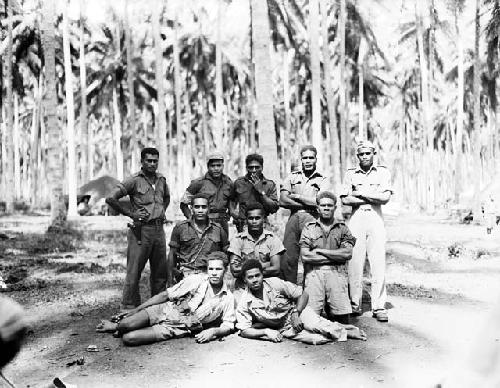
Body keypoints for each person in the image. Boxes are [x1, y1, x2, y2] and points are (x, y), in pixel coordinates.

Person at [96, 254, 235, 346]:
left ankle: (131, 326)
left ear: (226, 270)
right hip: (165, 310)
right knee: (125, 324)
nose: (214, 273)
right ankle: (116, 326)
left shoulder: (227, 297)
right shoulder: (196, 279)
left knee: (129, 338)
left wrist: (213, 331)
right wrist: (136, 310)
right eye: (211, 269)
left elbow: (228, 325)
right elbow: (165, 295)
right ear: (207, 269)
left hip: (177, 328)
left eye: (218, 269)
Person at [236, 259, 366, 345]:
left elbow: (303, 294)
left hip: (296, 313)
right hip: (282, 327)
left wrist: (296, 313)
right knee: (317, 339)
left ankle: (348, 332)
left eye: (257, 275)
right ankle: (336, 326)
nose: (254, 280)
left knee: (316, 325)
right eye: (250, 277)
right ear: (244, 280)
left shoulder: (274, 283)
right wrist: (266, 332)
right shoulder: (244, 302)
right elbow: (244, 330)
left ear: (262, 275)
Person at [106, 147, 170, 310]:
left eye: (155, 161)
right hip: (140, 231)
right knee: (134, 271)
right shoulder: (134, 180)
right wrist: (131, 214)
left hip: (158, 230)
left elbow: (166, 198)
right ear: (142, 161)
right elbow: (111, 198)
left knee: (160, 272)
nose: (152, 164)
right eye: (149, 160)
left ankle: (158, 306)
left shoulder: (161, 180)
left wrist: (159, 212)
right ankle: (128, 307)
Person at [340, 141, 393, 322]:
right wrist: (371, 196)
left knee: (377, 262)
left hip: (375, 219)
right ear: (357, 156)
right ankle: (354, 304)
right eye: (361, 154)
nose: (364, 157)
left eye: (367, 153)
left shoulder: (383, 172)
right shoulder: (350, 174)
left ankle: (378, 306)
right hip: (356, 219)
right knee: (355, 261)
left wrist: (360, 194)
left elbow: (385, 198)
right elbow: (345, 200)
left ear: (373, 153)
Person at [300, 191, 356, 325]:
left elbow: (347, 254)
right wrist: (336, 256)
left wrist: (320, 251)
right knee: (309, 320)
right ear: (317, 208)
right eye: (323, 205)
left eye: (330, 205)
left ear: (335, 208)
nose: (326, 208)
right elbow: (306, 256)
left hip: (336, 273)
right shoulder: (309, 228)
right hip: (314, 273)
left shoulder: (343, 228)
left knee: (342, 322)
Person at [279, 145, 329, 283]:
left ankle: (311, 293)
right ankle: (290, 291)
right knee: (288, 256)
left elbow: (321, 201)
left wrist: (298, 196)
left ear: (316, 159)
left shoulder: (322, 179)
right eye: (305, 158)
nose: (308, 161)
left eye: (311, 158)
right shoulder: (292, 176)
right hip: (294, 217)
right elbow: (283, 200)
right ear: (301, 159)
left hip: (312, 218)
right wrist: (307, 203)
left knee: (312, 256)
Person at [167, 194, 229, 285]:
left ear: (209, 209)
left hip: (209, 276)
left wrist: (219, 274)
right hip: (186, 275)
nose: (200, 210)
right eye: (197, 207)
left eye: (204, 207)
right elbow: (172, 255)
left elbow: (226, 254)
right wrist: (170, 280)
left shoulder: (218, 229)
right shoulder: (180, 228)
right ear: (191, 208)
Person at [228, 202, 284, 291]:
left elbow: (276, 269)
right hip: (243, 286)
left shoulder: (272, 239)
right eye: (251, 218)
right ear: (246, 220)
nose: (254, 221)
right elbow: (234, 271)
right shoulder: (237, 240)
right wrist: (266, 264)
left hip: (267, 285)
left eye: (257, 218)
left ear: (263, 219)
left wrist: (245, 267)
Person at [180, 152, 235, 235]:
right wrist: (191, 219)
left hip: (223, 223)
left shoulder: (229, 183)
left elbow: (232, 203)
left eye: (219, 165)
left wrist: (230, 214)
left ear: (223, 166)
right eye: (213, 166)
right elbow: (183, 203)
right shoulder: (198, 183)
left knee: (223, 247)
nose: (216, 169)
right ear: (208, 167)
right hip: (204, 222)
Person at [232, 154, 279, 232]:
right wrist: (234, 213)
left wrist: (261, 191)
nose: (254, 170)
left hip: (263, 224)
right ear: (246, 168)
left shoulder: (269, 185)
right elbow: (231, 200)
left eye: (257, 167)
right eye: (251, 167)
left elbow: (274, 208)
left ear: (262, 168)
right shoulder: (239, 183)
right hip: (244, 224)